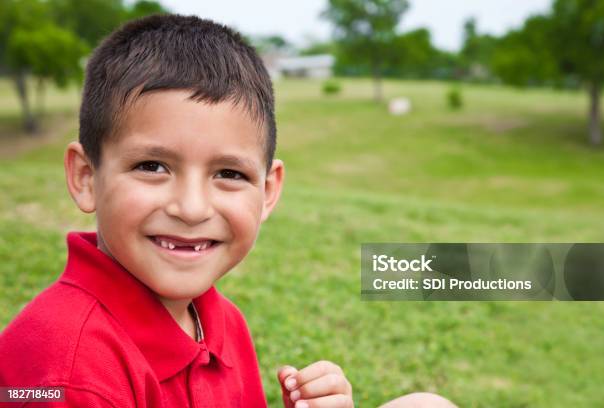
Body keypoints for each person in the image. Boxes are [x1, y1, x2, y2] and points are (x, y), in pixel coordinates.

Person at [0, 14, 454, 408]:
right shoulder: (68, 372)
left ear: (268, 191)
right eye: (152, 166)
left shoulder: (220, 322)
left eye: (229, 174)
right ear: (85, 177)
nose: (192, 208)